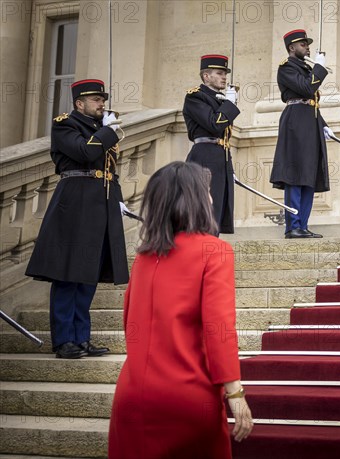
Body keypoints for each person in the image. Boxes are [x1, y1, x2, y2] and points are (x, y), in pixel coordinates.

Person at [108, 162, 253, 459]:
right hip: (187, 397)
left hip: (131, 397)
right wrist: (236, 393)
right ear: (197, 199)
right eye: (208, 192)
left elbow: (129, 323)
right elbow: (219, 330)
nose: (212, 199)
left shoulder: (143, 258)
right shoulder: (214, 250)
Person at [25, 79, 128, 358]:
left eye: (102, 99)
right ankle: (63, 341)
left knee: (88, 276)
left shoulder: (101, 129)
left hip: (100, 204)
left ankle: (82, 338)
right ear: (79, 103)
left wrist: (117, 199)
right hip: (74, 203)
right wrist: (108, 132)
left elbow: (109, 168)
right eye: (95, 99)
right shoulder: (65, 125)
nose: (101, 103)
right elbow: (85, 152)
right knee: (67, 275)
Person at [270, 29, 332, 239]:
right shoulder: (286, 68)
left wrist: (323, 124)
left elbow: (311, 100)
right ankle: (292, 225)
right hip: (295, 121)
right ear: (291, 48)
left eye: (307, 44)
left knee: (308, 176)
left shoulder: (305, 69)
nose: (307, 47)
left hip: (310, 120)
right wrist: (319, 68)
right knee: (295, 175)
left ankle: (302, 225)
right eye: (303, 44)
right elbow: (306, 90)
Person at [184, 54, 240, 234]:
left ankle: (211, 255)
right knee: (203, 212)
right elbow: (214, 124)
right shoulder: (195, 97)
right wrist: (230, 104)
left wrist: (228, 168)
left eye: (225, 73)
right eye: (219, 73)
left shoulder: (219, 99)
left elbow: (224, 135)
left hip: (221, 158)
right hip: (204, 156)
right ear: (206, 76)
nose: (224, 77)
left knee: (216, 213)